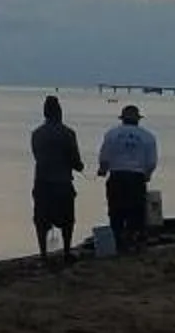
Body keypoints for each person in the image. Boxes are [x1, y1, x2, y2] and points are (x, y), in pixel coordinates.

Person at [29, 94, 85, 265]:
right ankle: (67, 252)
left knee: (41, 220)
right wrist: (79, 167)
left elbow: (37, 156)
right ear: (60, 112)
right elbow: (75, 160)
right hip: (62, 182)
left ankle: (43, 255)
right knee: (67, 219)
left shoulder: (37, 134)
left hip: (42, 181)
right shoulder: (68, 133)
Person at [97, 103, 159, 252]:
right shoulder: (148, 136)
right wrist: (147, 175)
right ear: (138, 119)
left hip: (117, 176)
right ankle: (133, 241)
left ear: (122, 119)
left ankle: (118, 241)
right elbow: (151, 162)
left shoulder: (111, 134)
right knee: (136, 211)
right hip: (136, 177)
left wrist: (103, 170)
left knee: (116, 210)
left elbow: (104, 157)